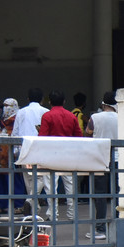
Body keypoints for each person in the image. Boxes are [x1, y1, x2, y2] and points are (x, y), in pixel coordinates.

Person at [39, 89, 83, 220]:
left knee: (51, 186)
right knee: (70, 185)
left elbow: (42, 137)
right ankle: (72, 214)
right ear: (64, 101)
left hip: (51, 155)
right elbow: (79, 136)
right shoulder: (71, 116)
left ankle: (53, 214)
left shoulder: (47, 116)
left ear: (50, 102)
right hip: (68, 155)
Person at [85, 92, 118, 240]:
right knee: (119, 193)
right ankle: (119, 225)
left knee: (100, 194)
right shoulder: (122, 117)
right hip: (119, 158)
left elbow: (88, 132)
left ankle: (100, 229)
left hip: (100, 158)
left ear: (103, 104)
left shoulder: (95, 117)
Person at [14, 88, 50, 204]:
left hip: (24, 148)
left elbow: (15, 133)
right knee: (40, 178)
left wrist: (15, 151)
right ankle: (33, 203)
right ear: (42, 100)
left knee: (28, 179)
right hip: (40, 149)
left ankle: (32, 205)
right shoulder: (45, 112)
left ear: (28, 99)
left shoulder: (21, 112)